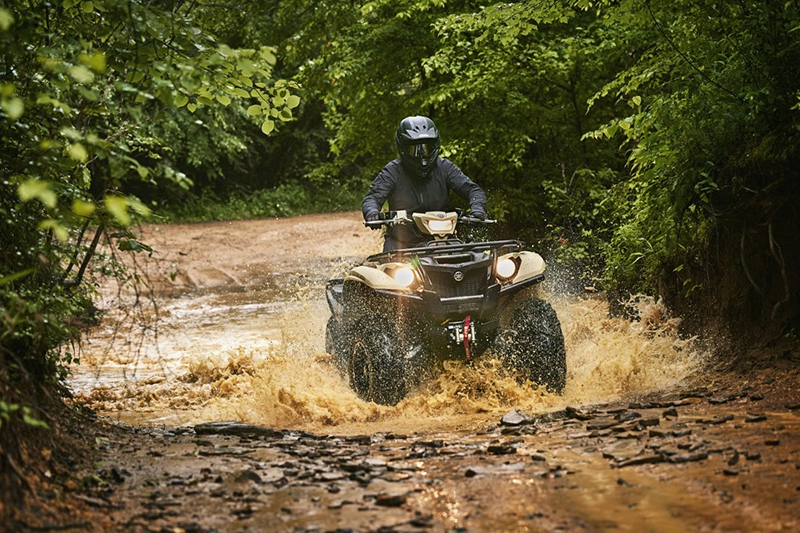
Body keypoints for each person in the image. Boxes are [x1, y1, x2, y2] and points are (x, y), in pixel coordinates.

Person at [362, 116, 487, 251]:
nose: (421, 155)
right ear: (402, 148)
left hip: (442, 241)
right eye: (414, 149)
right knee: (389, 269)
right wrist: (372, 213)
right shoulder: (392, 171)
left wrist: (478, 209)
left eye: (427, 148)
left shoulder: (445, 168)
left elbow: (473, 190)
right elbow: (373, 197)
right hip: (402, 245)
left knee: (474, 263)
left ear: (436, 146)